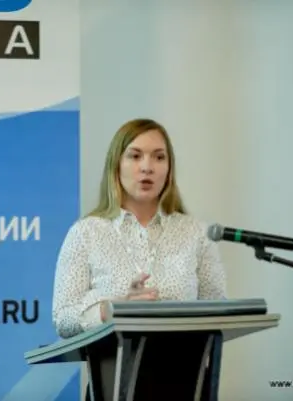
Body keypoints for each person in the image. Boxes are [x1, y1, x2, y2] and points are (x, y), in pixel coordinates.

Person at [51, 118, 227, 339]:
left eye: (159, 157)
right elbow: (63, 318)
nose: (147, 167)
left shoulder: (197, 233)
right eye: (135, 156)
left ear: (169, 169)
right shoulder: (86, 233)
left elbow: (219, 312)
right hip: (113, 358)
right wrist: (112, 309)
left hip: (184, 358)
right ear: (116, 165)